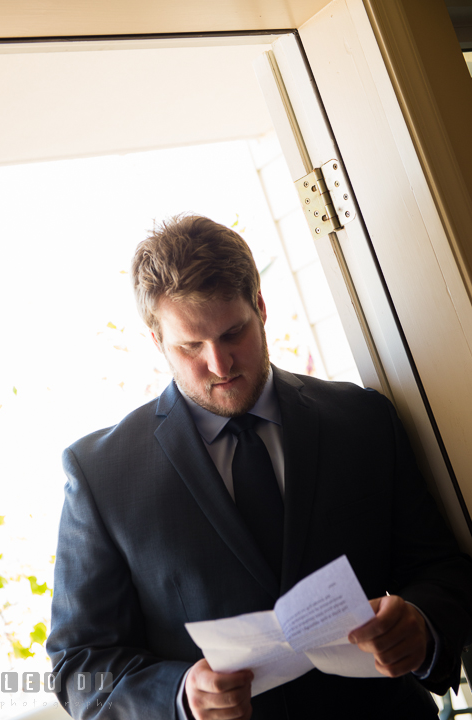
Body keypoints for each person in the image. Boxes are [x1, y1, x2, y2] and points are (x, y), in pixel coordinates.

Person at [47, 214, 472, 720]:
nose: (220, 365)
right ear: (157, 340)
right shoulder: (101, 473)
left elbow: (443, 568)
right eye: (191, 347)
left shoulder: (364, 420)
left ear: (261, 308)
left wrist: (423, 623)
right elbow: (78, 667)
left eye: (233, 334)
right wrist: (179, 695)